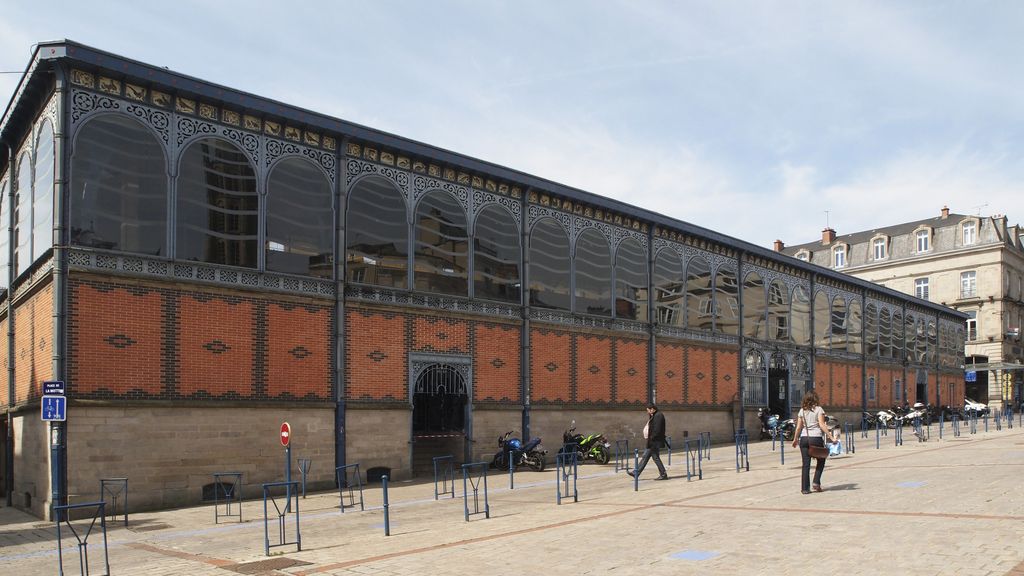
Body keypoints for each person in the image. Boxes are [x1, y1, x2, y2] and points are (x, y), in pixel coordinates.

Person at [791, 391, 829, 494]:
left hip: (804, 438)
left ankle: (805, 489)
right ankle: (816, 482)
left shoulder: (801, 411)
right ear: (815, 399)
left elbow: (798, 427)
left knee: (806, 464)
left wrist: (795, 439)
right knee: (821, 460)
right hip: (816, 438)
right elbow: (821, 424)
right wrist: (830, 436)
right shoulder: (819, 409)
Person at [628, 404, 668, 480]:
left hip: (654, 442)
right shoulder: (654, 415)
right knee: (652, 457)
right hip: (652, 441)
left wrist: (652, 438)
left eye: (648, 410)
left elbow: (657, 429)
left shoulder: (658, 416)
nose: (647, 412)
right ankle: (663, 474)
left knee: (648, 457)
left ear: (652, 409)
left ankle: (636, 472)